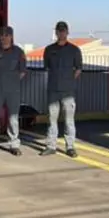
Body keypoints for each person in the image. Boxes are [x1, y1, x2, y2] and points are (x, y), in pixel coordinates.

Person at [41, 21, 83, 158]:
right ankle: (51, 146)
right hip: (53, 90)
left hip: (68, 91)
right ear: (56, 32)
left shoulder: (74, 50)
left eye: (63, 31)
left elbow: (78, 69)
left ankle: (70, 147)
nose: (61, 33)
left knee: (69, 120)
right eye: (59, 31)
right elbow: (47, 67)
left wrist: (68, 80)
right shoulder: (49, 50)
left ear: (67, 32)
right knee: (51, 119)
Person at [0, 26, 27, 156]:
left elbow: (22, 72)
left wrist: (10, 81)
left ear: (11, 37)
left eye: (6, 35)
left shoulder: (18, 52)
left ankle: (14, 144)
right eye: (2, 35)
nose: (4, 37)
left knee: (13, 118)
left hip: (13, 90)